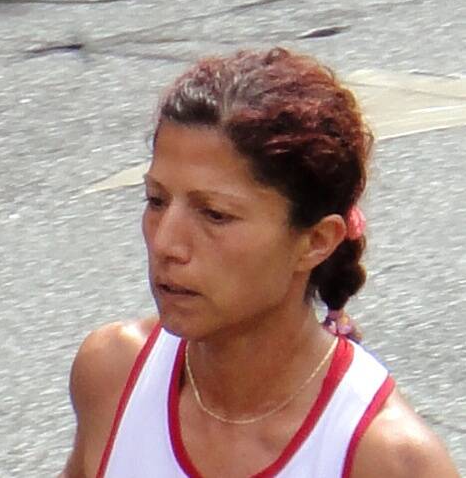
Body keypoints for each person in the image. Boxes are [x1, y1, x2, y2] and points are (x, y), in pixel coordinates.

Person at [60, 47, 459, 478]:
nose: (165, 242)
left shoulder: (387, 457)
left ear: (316, 242)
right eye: (156, 200)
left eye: (215, 214)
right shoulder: (113, 375)